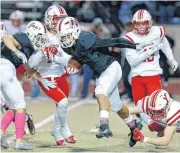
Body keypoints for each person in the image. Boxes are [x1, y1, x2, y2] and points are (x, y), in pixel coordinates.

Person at [52, 16, 156, 147]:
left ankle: (104, 125)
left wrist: (136, 45)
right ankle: (135, 127)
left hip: (110, 67)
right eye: (63, 37)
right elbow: (77, 60)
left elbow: (111, 42)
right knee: (117, 107)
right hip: (101, 73)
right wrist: (55, 58)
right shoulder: (69, 46)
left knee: (100, 91)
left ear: (75, 32)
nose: (64, 40)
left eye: (66, 36)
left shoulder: (84, 39)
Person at [1, 20, 56, 150]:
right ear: (33, 33)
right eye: (40, 37)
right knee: (20, 105)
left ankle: (1, 133)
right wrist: (16, 51)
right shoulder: (24, 37)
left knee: (13, 107)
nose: (41, 40)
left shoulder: (28, 47)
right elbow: (7, 38)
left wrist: (41, 79)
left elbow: (28, 69)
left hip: (5, 71)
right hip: (4, 69)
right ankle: (19, 141)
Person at [28, 5, 77, 146]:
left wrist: (72, 63)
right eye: (56, 19)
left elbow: (63, 55)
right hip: (46, 76)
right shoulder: (40, 34)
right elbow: (31, 63)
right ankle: (64, 129)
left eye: (61, 19)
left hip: (61, 74)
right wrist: (42, 51)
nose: (58, 22)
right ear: (48, 19)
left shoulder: (62, 34)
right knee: (63, 102)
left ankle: (56, 131)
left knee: (61, 106)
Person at [123, 9, 179, 130]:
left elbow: (164, 43)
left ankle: (166, 124)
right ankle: (151, 124)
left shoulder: (156, 32)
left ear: (149, 23)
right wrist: (149, 51)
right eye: (138, 23)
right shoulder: (129, 38)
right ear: (134, 24)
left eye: (143, 23)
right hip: (137, 75)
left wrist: (171, 59)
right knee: (140, 106)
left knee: (158, 105)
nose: (141, 26)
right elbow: (133, 61)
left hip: (153, 74)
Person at [0, 21, 35, 135]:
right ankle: (25, 119)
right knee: (7, 106)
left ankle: (22, 121)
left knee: (9, 106)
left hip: (5, 77)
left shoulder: (6, 45)